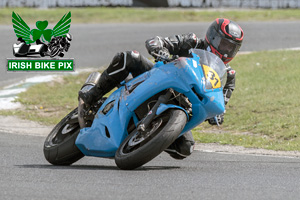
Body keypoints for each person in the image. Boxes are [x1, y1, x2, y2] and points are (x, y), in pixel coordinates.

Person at [78, 18, 244, 160]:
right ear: (213, 37)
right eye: (224, 44)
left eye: (231, 48)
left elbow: (222, 100)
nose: (226, 50)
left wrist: (218, 115)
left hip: (183, 105)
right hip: (156, 78)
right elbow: (156, 41)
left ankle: (151, 138)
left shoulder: (227, 75)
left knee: (185, 148)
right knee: (130, 57)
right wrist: (160, 50)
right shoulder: (192, 42)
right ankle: (92, 95)